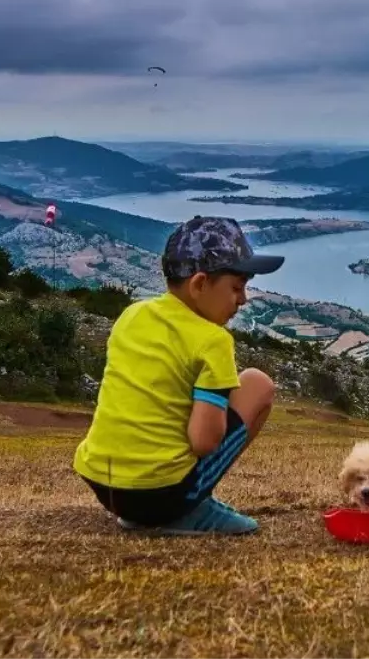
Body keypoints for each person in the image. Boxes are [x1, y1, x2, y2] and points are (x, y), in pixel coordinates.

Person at [73, 216, 283, 535]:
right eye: (236, 287)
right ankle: (190, 509)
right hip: (159, 494)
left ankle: (147, 512)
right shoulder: (212, 340)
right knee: (258, 384)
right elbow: (204, 441)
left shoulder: (132, 316)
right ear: (199, 284)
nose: (243, 300)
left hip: (104, 485)